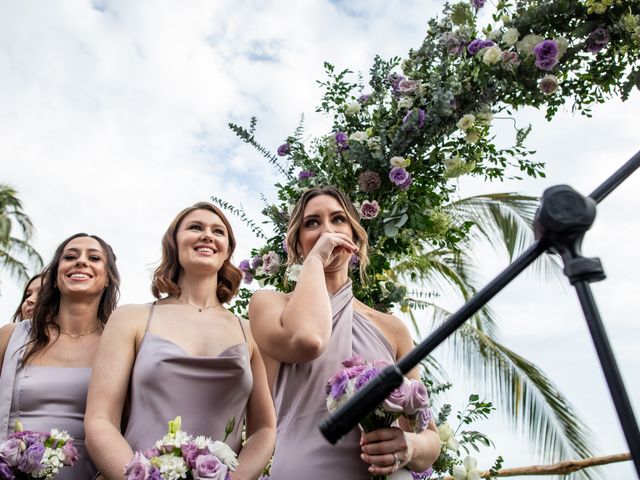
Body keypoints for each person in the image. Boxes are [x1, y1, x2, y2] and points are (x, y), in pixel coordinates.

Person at [249, 186, 441, 479]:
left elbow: (428, 437)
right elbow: (308, 339)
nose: (327, 230)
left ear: (355, 236)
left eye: (338, 219)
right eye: (312, 223)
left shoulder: (393, 328)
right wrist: (315, 261)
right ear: (298, 244)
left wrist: (409, 446)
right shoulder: (270, 305)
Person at [85, 202, 276, 480]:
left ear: (227, 251)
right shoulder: (131, 318)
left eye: (218, 231)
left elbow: (264, 429)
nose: (207, 235)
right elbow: (100, 421)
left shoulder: (250, 331)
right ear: (174, 243)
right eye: (195, 227)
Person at [0, 233, 120, 479]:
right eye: (70, 256)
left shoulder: (120, 344)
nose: (81, 262)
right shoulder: (12, 336)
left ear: (108, 278)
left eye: (94, 257)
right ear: (55, 278)